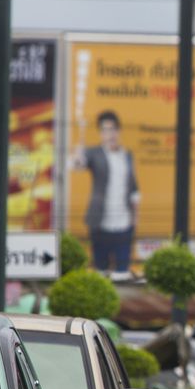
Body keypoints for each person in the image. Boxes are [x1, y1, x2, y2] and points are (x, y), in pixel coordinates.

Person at [73, 110, 139, 279]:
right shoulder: (94, 153)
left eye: (113, 129)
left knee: (122, 272)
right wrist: (78, 156)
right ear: (100, 133)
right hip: (100, 221)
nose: (109, 134)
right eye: (105, 130)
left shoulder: (127, 155)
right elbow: (78, 165)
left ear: (119, 131)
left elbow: (133, 188)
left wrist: (135, 217)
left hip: (124, 222)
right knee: (100, 270)